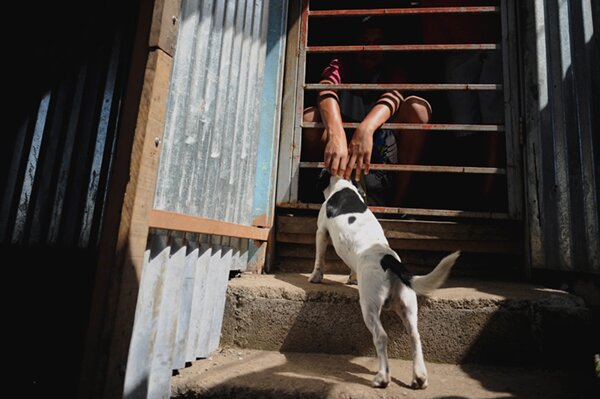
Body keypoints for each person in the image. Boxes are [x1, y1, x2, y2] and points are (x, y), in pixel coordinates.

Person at [302, 17, 431, 206]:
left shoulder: (393, 70)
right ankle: (317, 203)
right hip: (338, 163)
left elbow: (394, 94)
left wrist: (365, 130)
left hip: (379, 165)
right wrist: (336, 133)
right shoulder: (342, 64)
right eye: (365, 43)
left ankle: (397, 206)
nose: (370, 50)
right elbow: (325, 88)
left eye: (378, 44)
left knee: (418, 108)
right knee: (310, 117)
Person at [420, 0, 505, 207]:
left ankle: (488, 192)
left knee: (493, 122)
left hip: (492, 43)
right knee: (465, 124)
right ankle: (473, 193)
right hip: (458, 48)